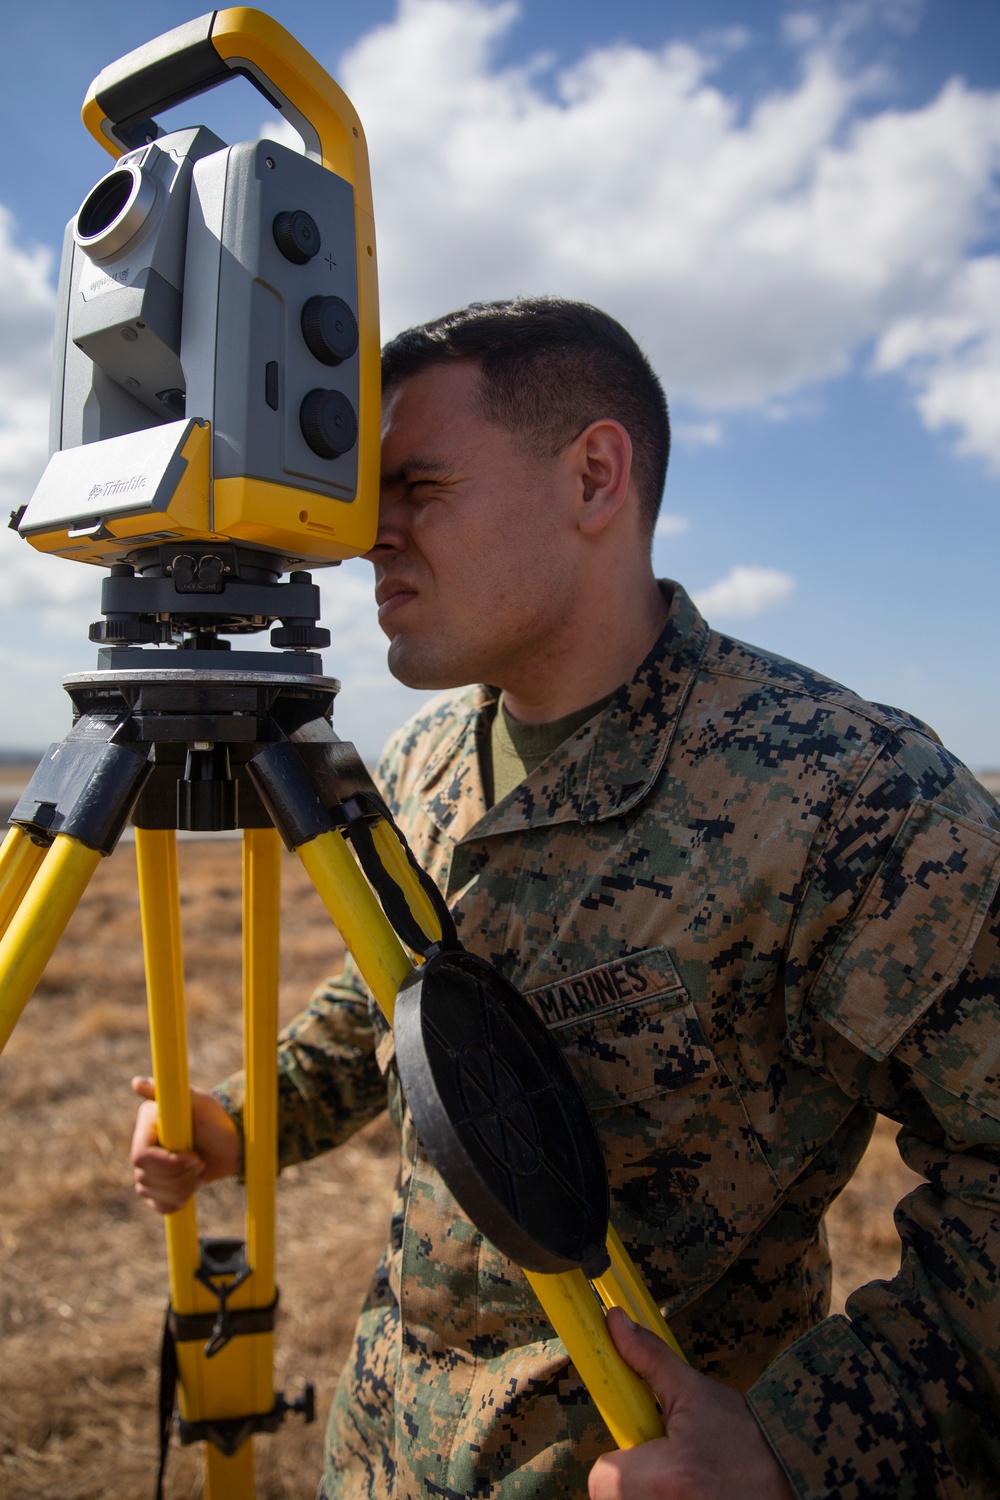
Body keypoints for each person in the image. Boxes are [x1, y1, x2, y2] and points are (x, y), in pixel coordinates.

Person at [132, 298, 1000, 1499]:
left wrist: (804, 1443)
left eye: (417, 487)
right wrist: (242, 1117)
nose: (366, 539)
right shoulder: (431, 752)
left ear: (593, 475)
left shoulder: (847, 794)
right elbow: (397, 992)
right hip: (385, 1448)